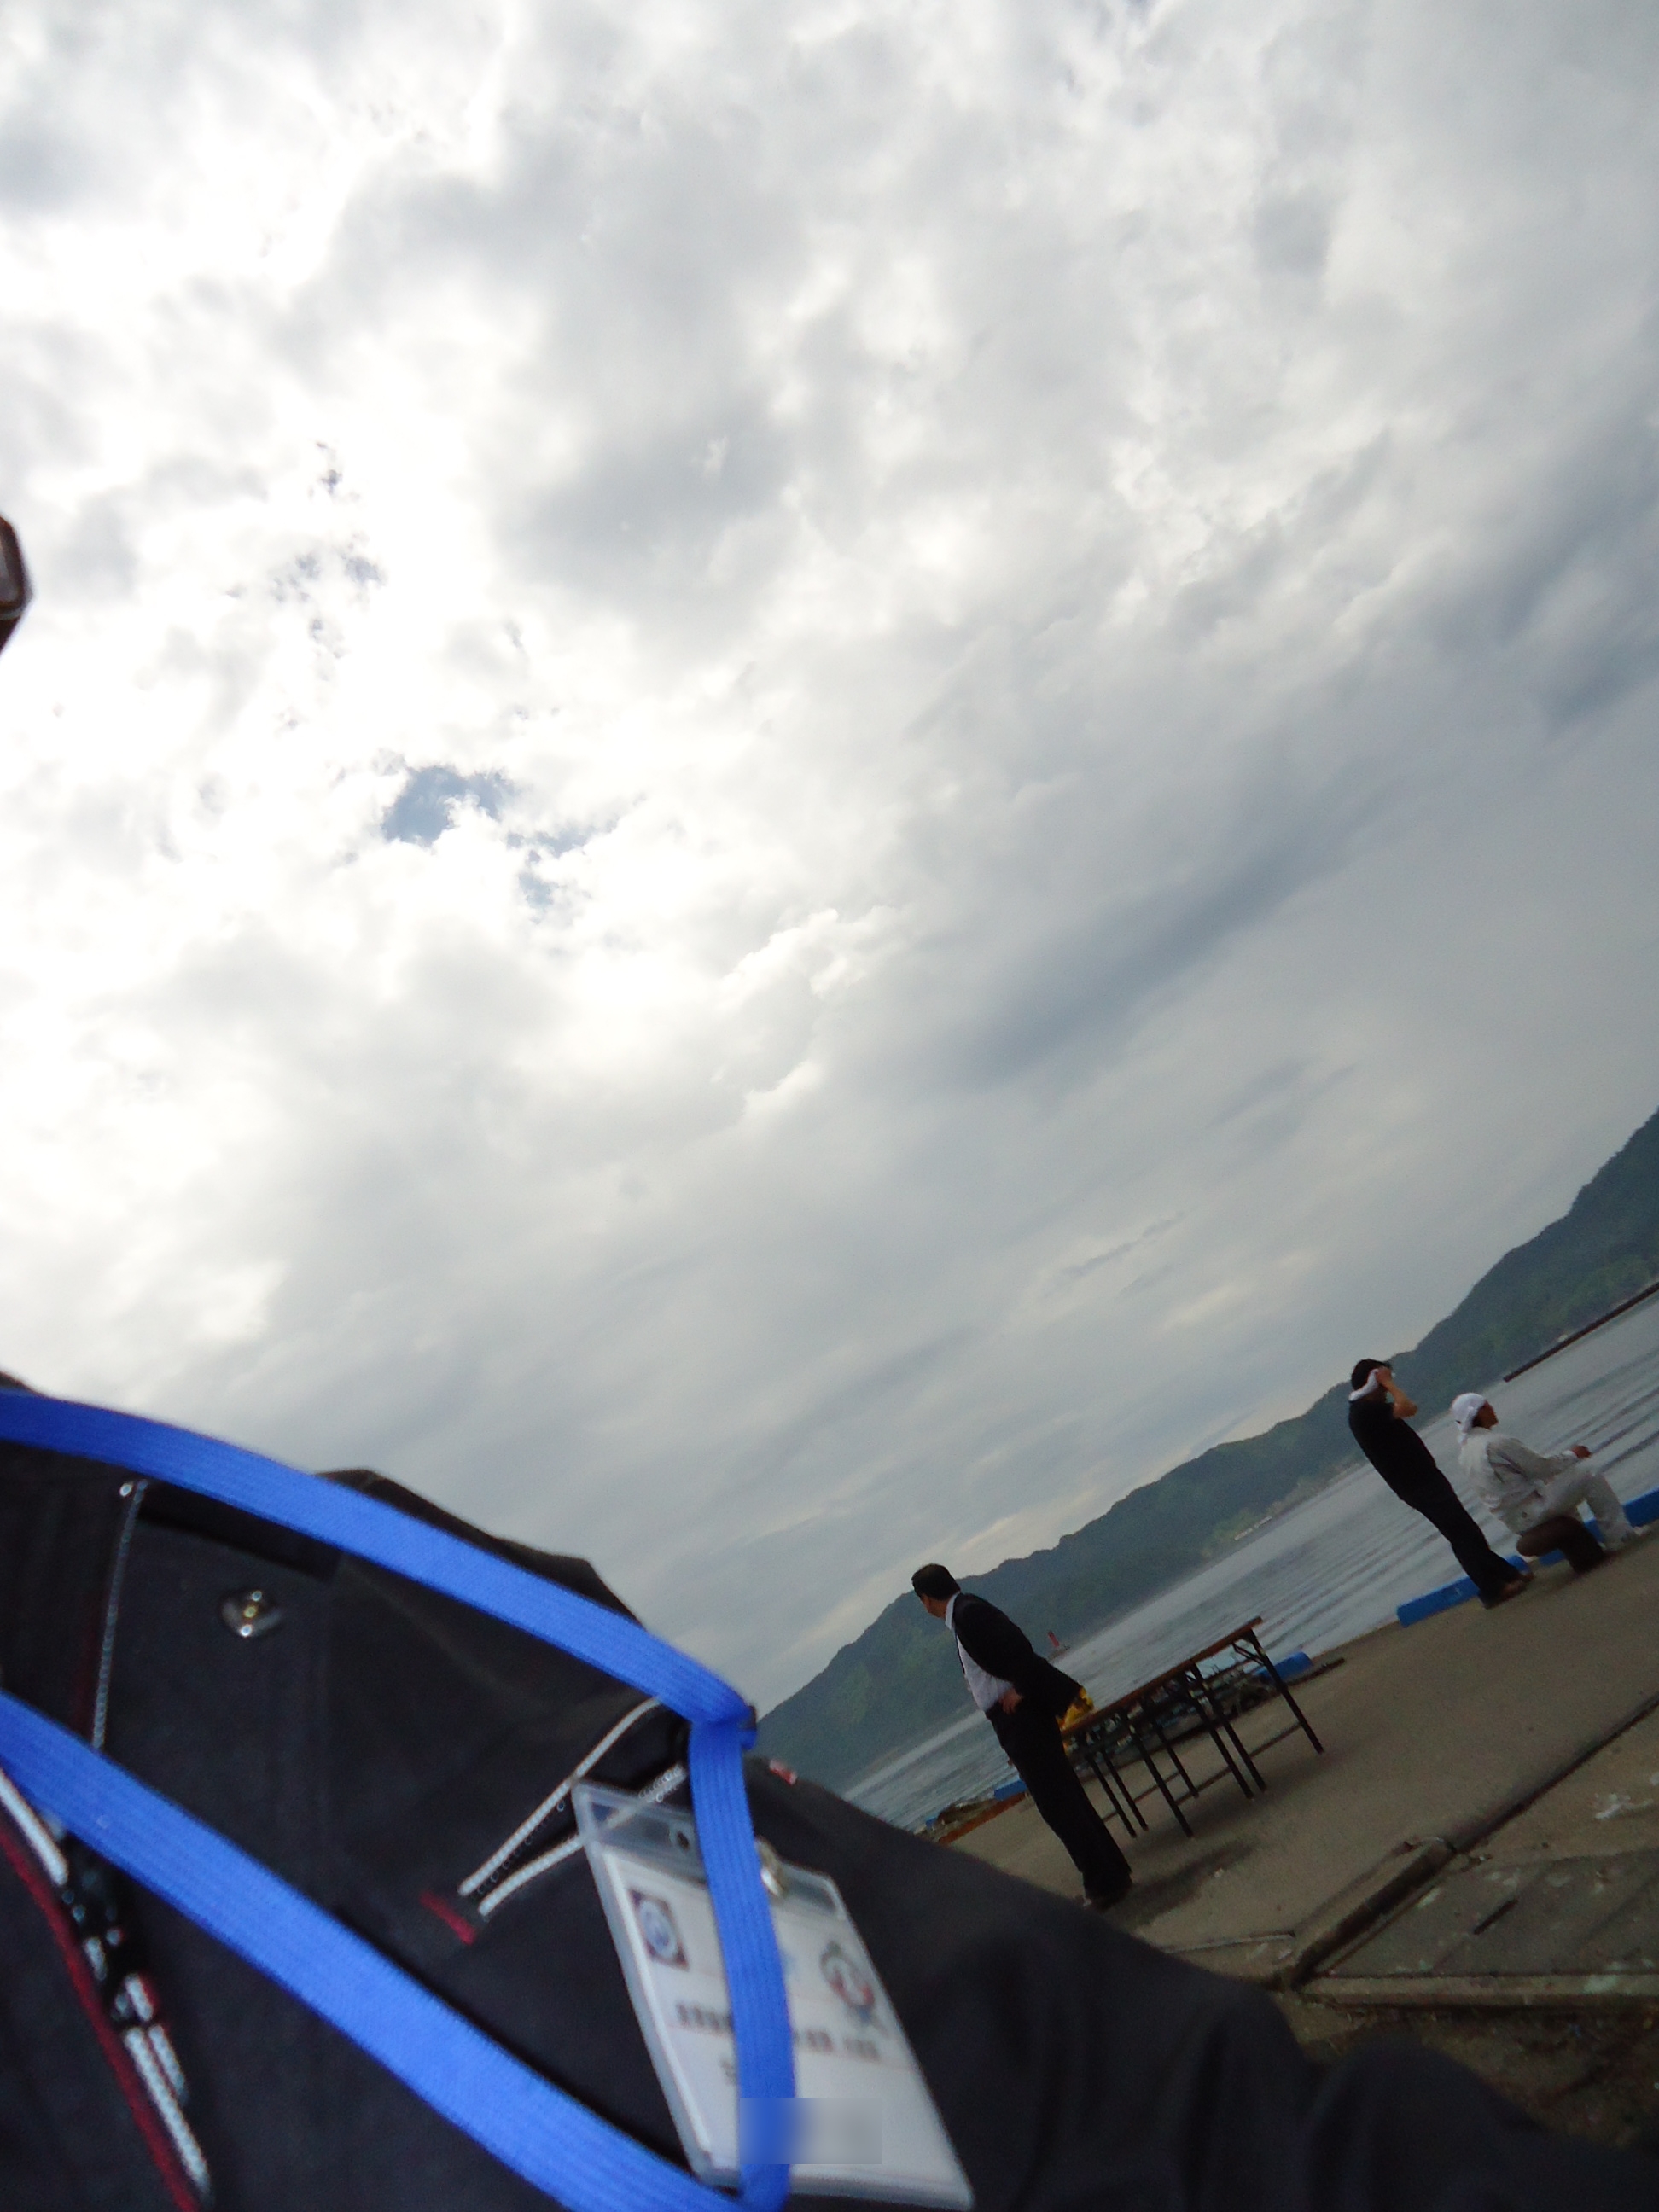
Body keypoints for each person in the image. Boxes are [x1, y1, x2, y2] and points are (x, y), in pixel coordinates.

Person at [911, 1562, 1132, 1910]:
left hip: (1020, 1716)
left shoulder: (969, 1614)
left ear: (926, 1599)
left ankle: (1104, 1883)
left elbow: (1018, 1648)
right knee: (1064, 1797)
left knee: (1058, 1803)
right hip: (1012, 1720)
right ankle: (1111, 1873)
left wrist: (1022, 1688)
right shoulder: (965, 1613)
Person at [1348, 1359, 1528, 1606]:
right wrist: (1388, 1383)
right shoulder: (1363, 1412)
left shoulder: (1369, 1410)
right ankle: (1492, 1589)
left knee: (1465, 1530)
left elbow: (1410, 1408)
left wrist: (1386, 1384)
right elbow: (1408, 1408)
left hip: (1423, 1478)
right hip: (1417, 1484)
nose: (1385, 1391)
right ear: (1372, 1382)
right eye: (1381, 1384)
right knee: (1461, 1533)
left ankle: (1505, 1574)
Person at [1453, 1390, 1644, 1554]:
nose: (1492, 1408)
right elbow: (1542, 1468)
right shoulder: (1496, 1443)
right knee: (1587, 1474)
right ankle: (1620, 1536)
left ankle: (1590, 1547)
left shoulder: (1465, 1453)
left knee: (1557, 1485)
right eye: (1487, 1406)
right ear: (1479, 1412)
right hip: (1533, 1512)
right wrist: (1573, 1455)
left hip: (1515, 1520)